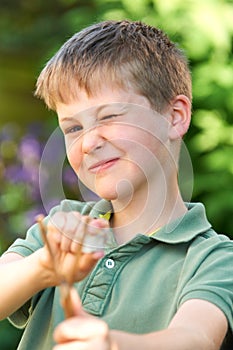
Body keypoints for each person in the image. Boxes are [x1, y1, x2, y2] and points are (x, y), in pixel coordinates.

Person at [0, 19, 233, 350]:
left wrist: (111, 344)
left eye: (109, 117)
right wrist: (42, 268)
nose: (89, 142)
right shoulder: (62, 229)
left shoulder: (213, 259)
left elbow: (195, 338)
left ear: (175, 116)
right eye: (73, 128)